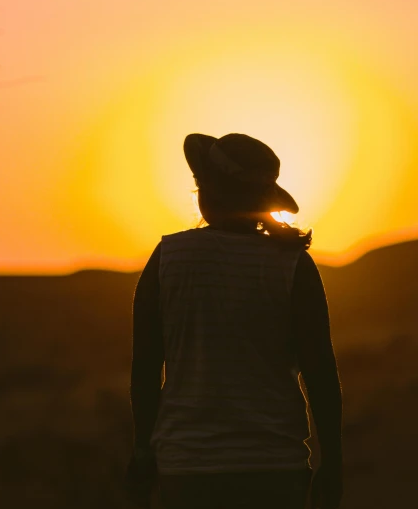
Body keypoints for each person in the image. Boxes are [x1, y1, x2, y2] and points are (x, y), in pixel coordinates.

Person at [126, 133, 343, 509]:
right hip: (276, 467)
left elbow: (146, 368)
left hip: (187, 468)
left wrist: (143, 449)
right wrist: (333, 461)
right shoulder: (293, 265)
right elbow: (320, 371)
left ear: (206, 189)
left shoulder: (168, 258)